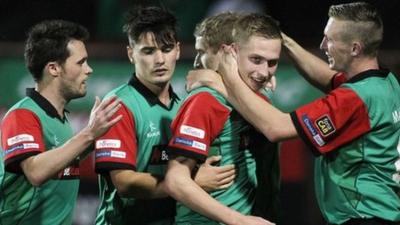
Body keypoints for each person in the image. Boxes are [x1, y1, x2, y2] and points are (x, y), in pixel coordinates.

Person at [189, 2, 400, 225]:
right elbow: (326, 77)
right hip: (383, 210)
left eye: (330, 39)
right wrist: (281, 39)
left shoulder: (353, 99)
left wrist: (224, 79)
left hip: (362, 217)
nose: (323, 45)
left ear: (355, 48)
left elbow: (276, 128)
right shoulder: (386, 82)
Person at [93, 6, 236, 225]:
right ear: (131, 54)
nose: (160, 59)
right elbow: (124, 182)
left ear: (178, 50)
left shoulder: (184, 105)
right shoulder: (118, 105)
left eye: (166, 49)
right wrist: (190, 182)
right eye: (148, 51)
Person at [164, 12, 281, 225]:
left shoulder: (257, 100)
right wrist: (239, 220)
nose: (198, 61)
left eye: (202, 52)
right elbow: (176, 179)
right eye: (256, 59)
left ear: (228, 51)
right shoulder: (205, 101)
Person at [0, 20, 122, 225]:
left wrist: (93, 137)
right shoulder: (22, 114)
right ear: (54, 68)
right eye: (80, 62)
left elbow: (60, 165)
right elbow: (36, 172)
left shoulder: (60, 120)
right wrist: (89, 134)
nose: (89, 69)